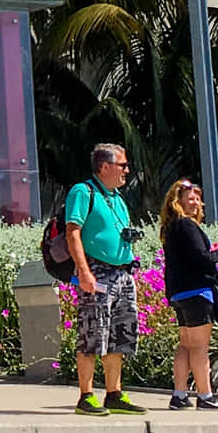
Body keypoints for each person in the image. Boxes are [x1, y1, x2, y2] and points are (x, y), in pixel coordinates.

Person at [66, 142, 145, 416]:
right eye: (122, 165)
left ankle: (114, 393)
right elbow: (73, 232)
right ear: (105, 166)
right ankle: (86, 395)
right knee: (92, 332)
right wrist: (84, 270)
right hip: (97, 272)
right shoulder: (83, 192)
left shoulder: (117, 199)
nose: (127, 170)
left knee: (119, 335)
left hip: (123, 273)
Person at [159, 178, 218, 410]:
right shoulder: (187, 226)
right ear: (177, 200)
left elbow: (190, 257)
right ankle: (206, 396)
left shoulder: (170, 228)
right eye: (190, 198)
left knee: (185, 344)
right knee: (200, 347)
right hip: (197, 292)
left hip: (180, 293)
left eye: (198, 198)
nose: (196, 202)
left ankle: (179, 395)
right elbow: (203, 261)